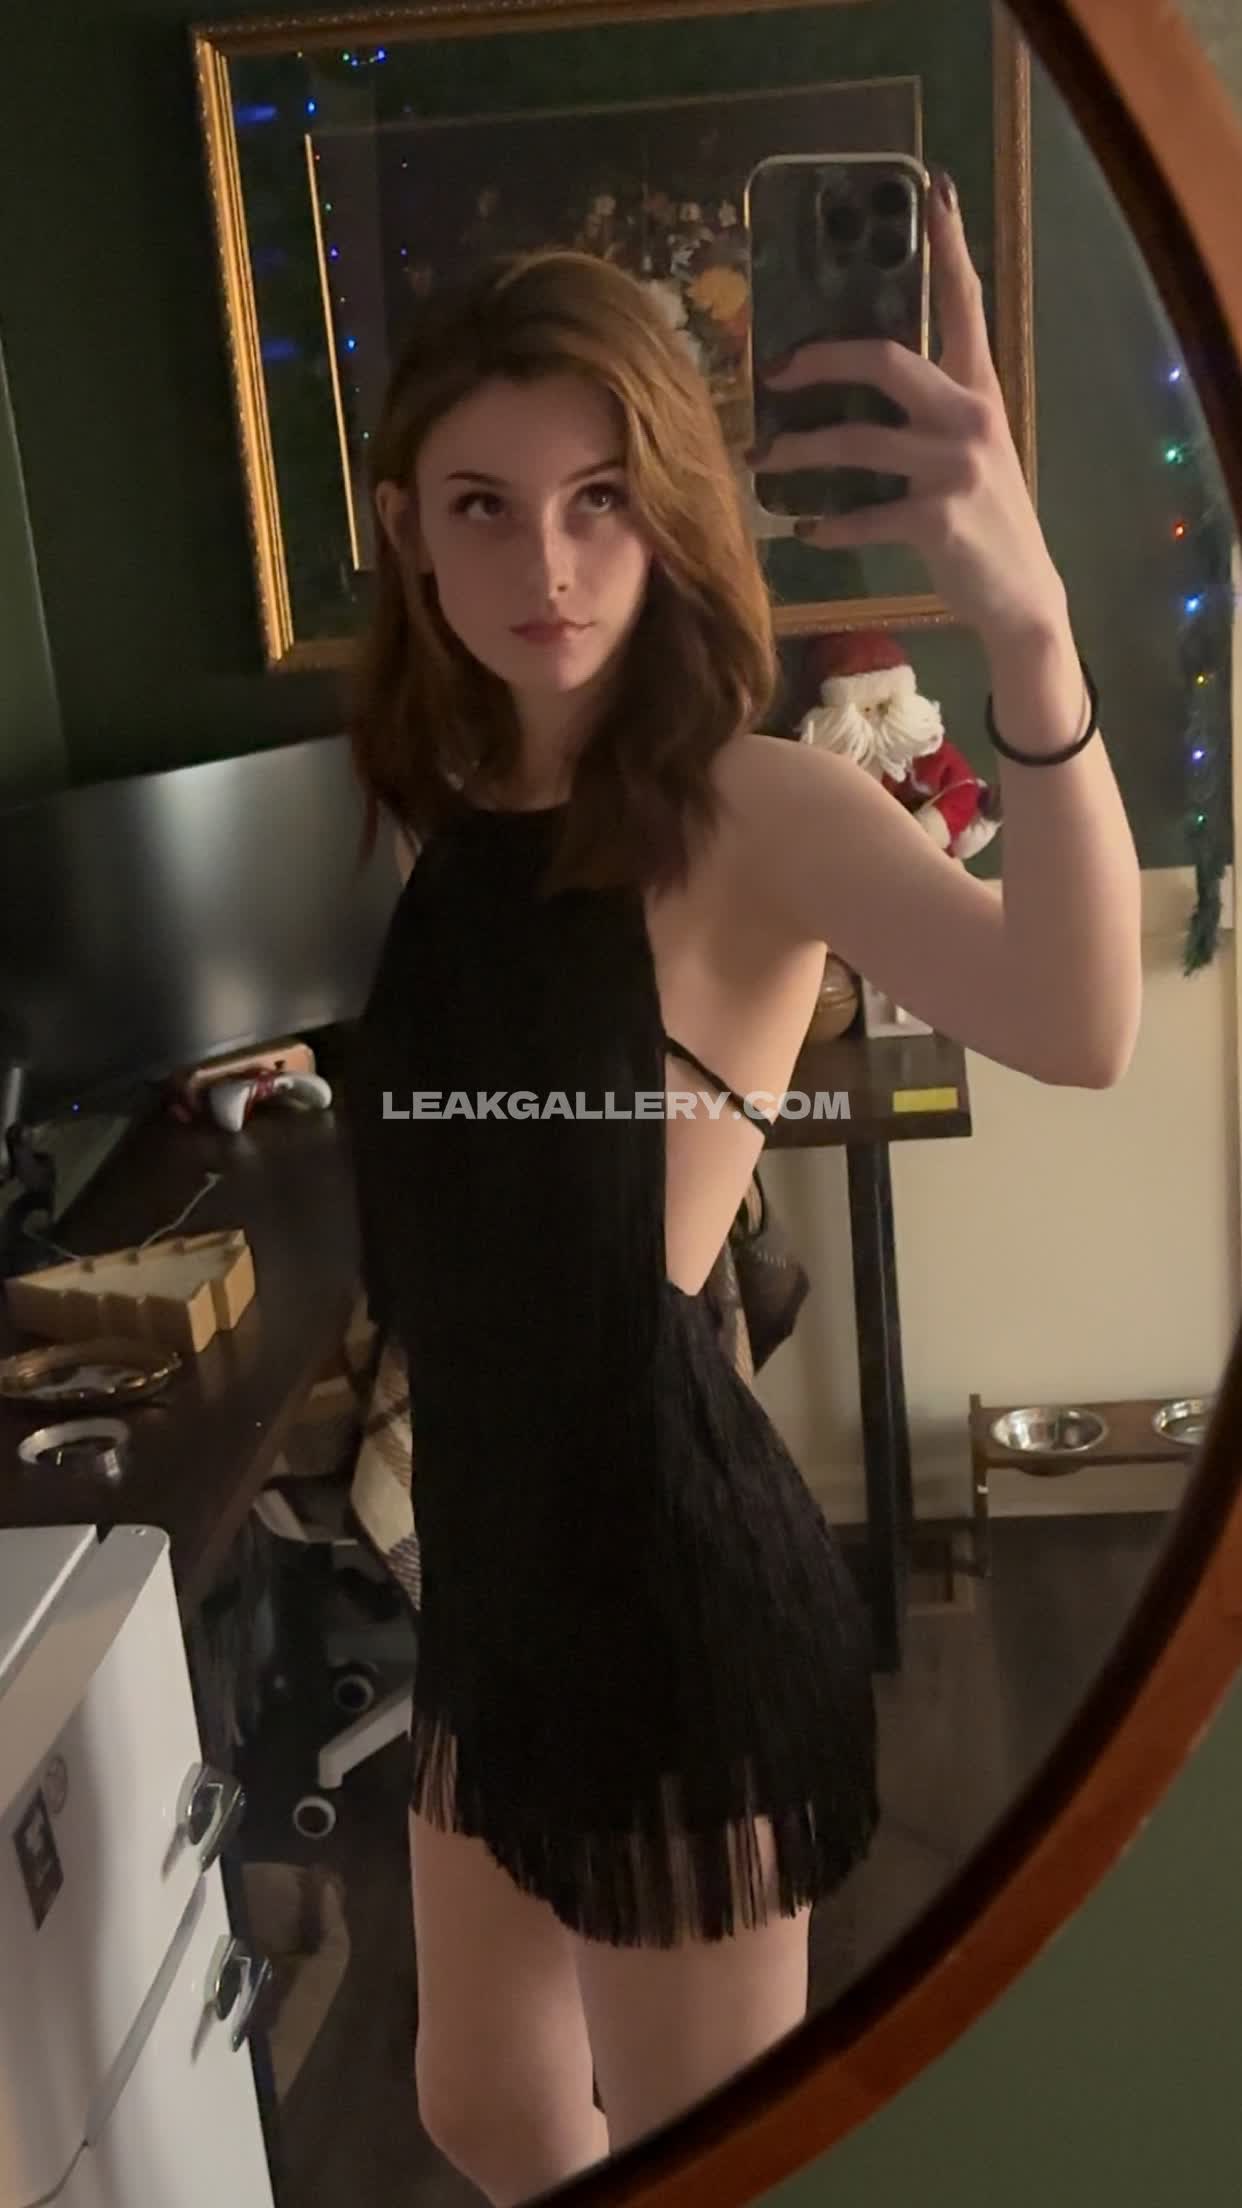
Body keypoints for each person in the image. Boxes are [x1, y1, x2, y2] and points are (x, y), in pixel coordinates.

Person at [342, 170, 1141, 2207]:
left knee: (710, 2161)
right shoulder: (448, 804)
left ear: (671, 510)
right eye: (484, 505)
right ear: (409, 531)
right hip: (494, 1582)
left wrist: (1029, 627)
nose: (544, 561)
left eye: (600, 498)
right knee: (484, 2107)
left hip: (669, 1604)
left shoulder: (749, 807)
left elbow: (1078, 1021)